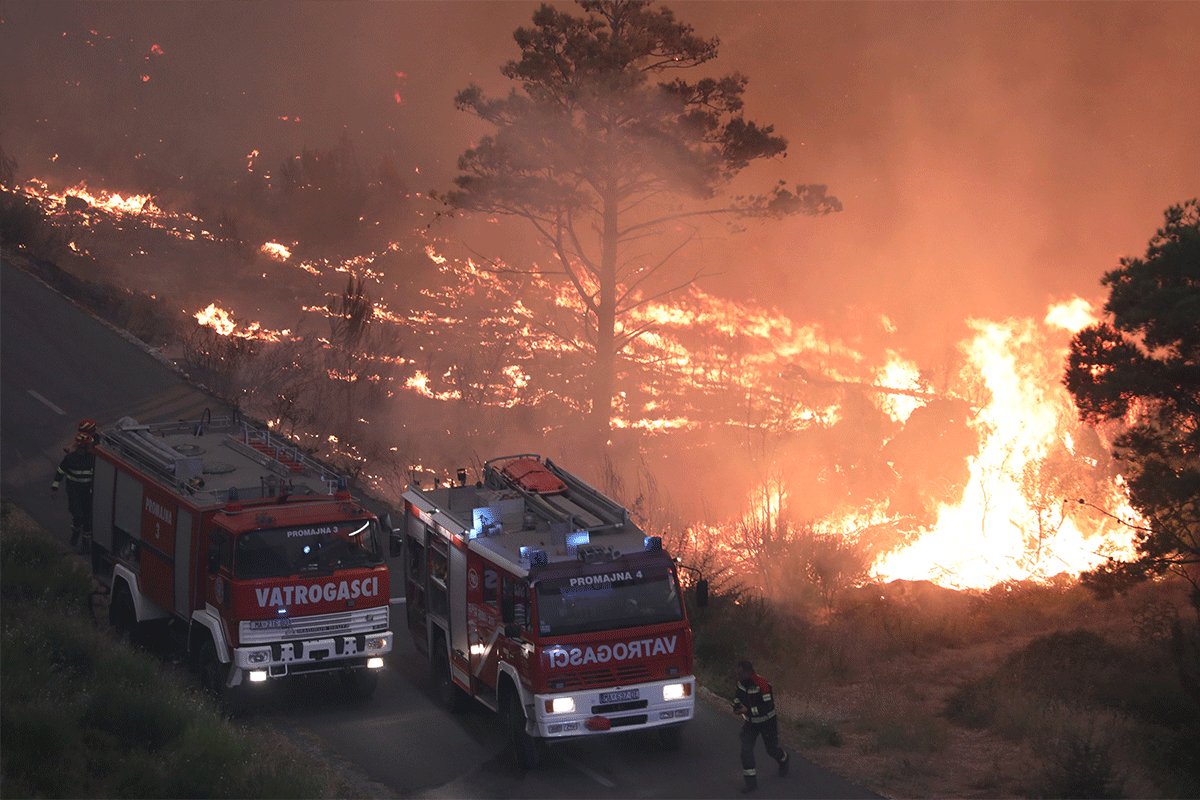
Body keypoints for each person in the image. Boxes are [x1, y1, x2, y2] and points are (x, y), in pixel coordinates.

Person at [733, 659, 789, 793]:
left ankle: (784, 759)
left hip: (767, 722)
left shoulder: (762, 684)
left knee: (771, 750)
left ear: (748, 672)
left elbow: (767, 706)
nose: (738, 676)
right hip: (751, 723)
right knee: (746, 751)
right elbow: (737, 697)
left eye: (740, 673)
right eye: (737, 673)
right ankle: (751, 783)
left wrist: (748, 711)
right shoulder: (741, 683)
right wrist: (736, 706)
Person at [52, 432, 96, 551]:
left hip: (87, 492)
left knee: (87, 519)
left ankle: (86, 544)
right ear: (83, 446)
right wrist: (55, 486)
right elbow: (60, 471)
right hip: (74, 492)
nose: (90, 447)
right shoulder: (70, 458)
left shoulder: (92, 459)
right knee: (78, 515)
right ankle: (75, 534)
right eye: (88, 445)